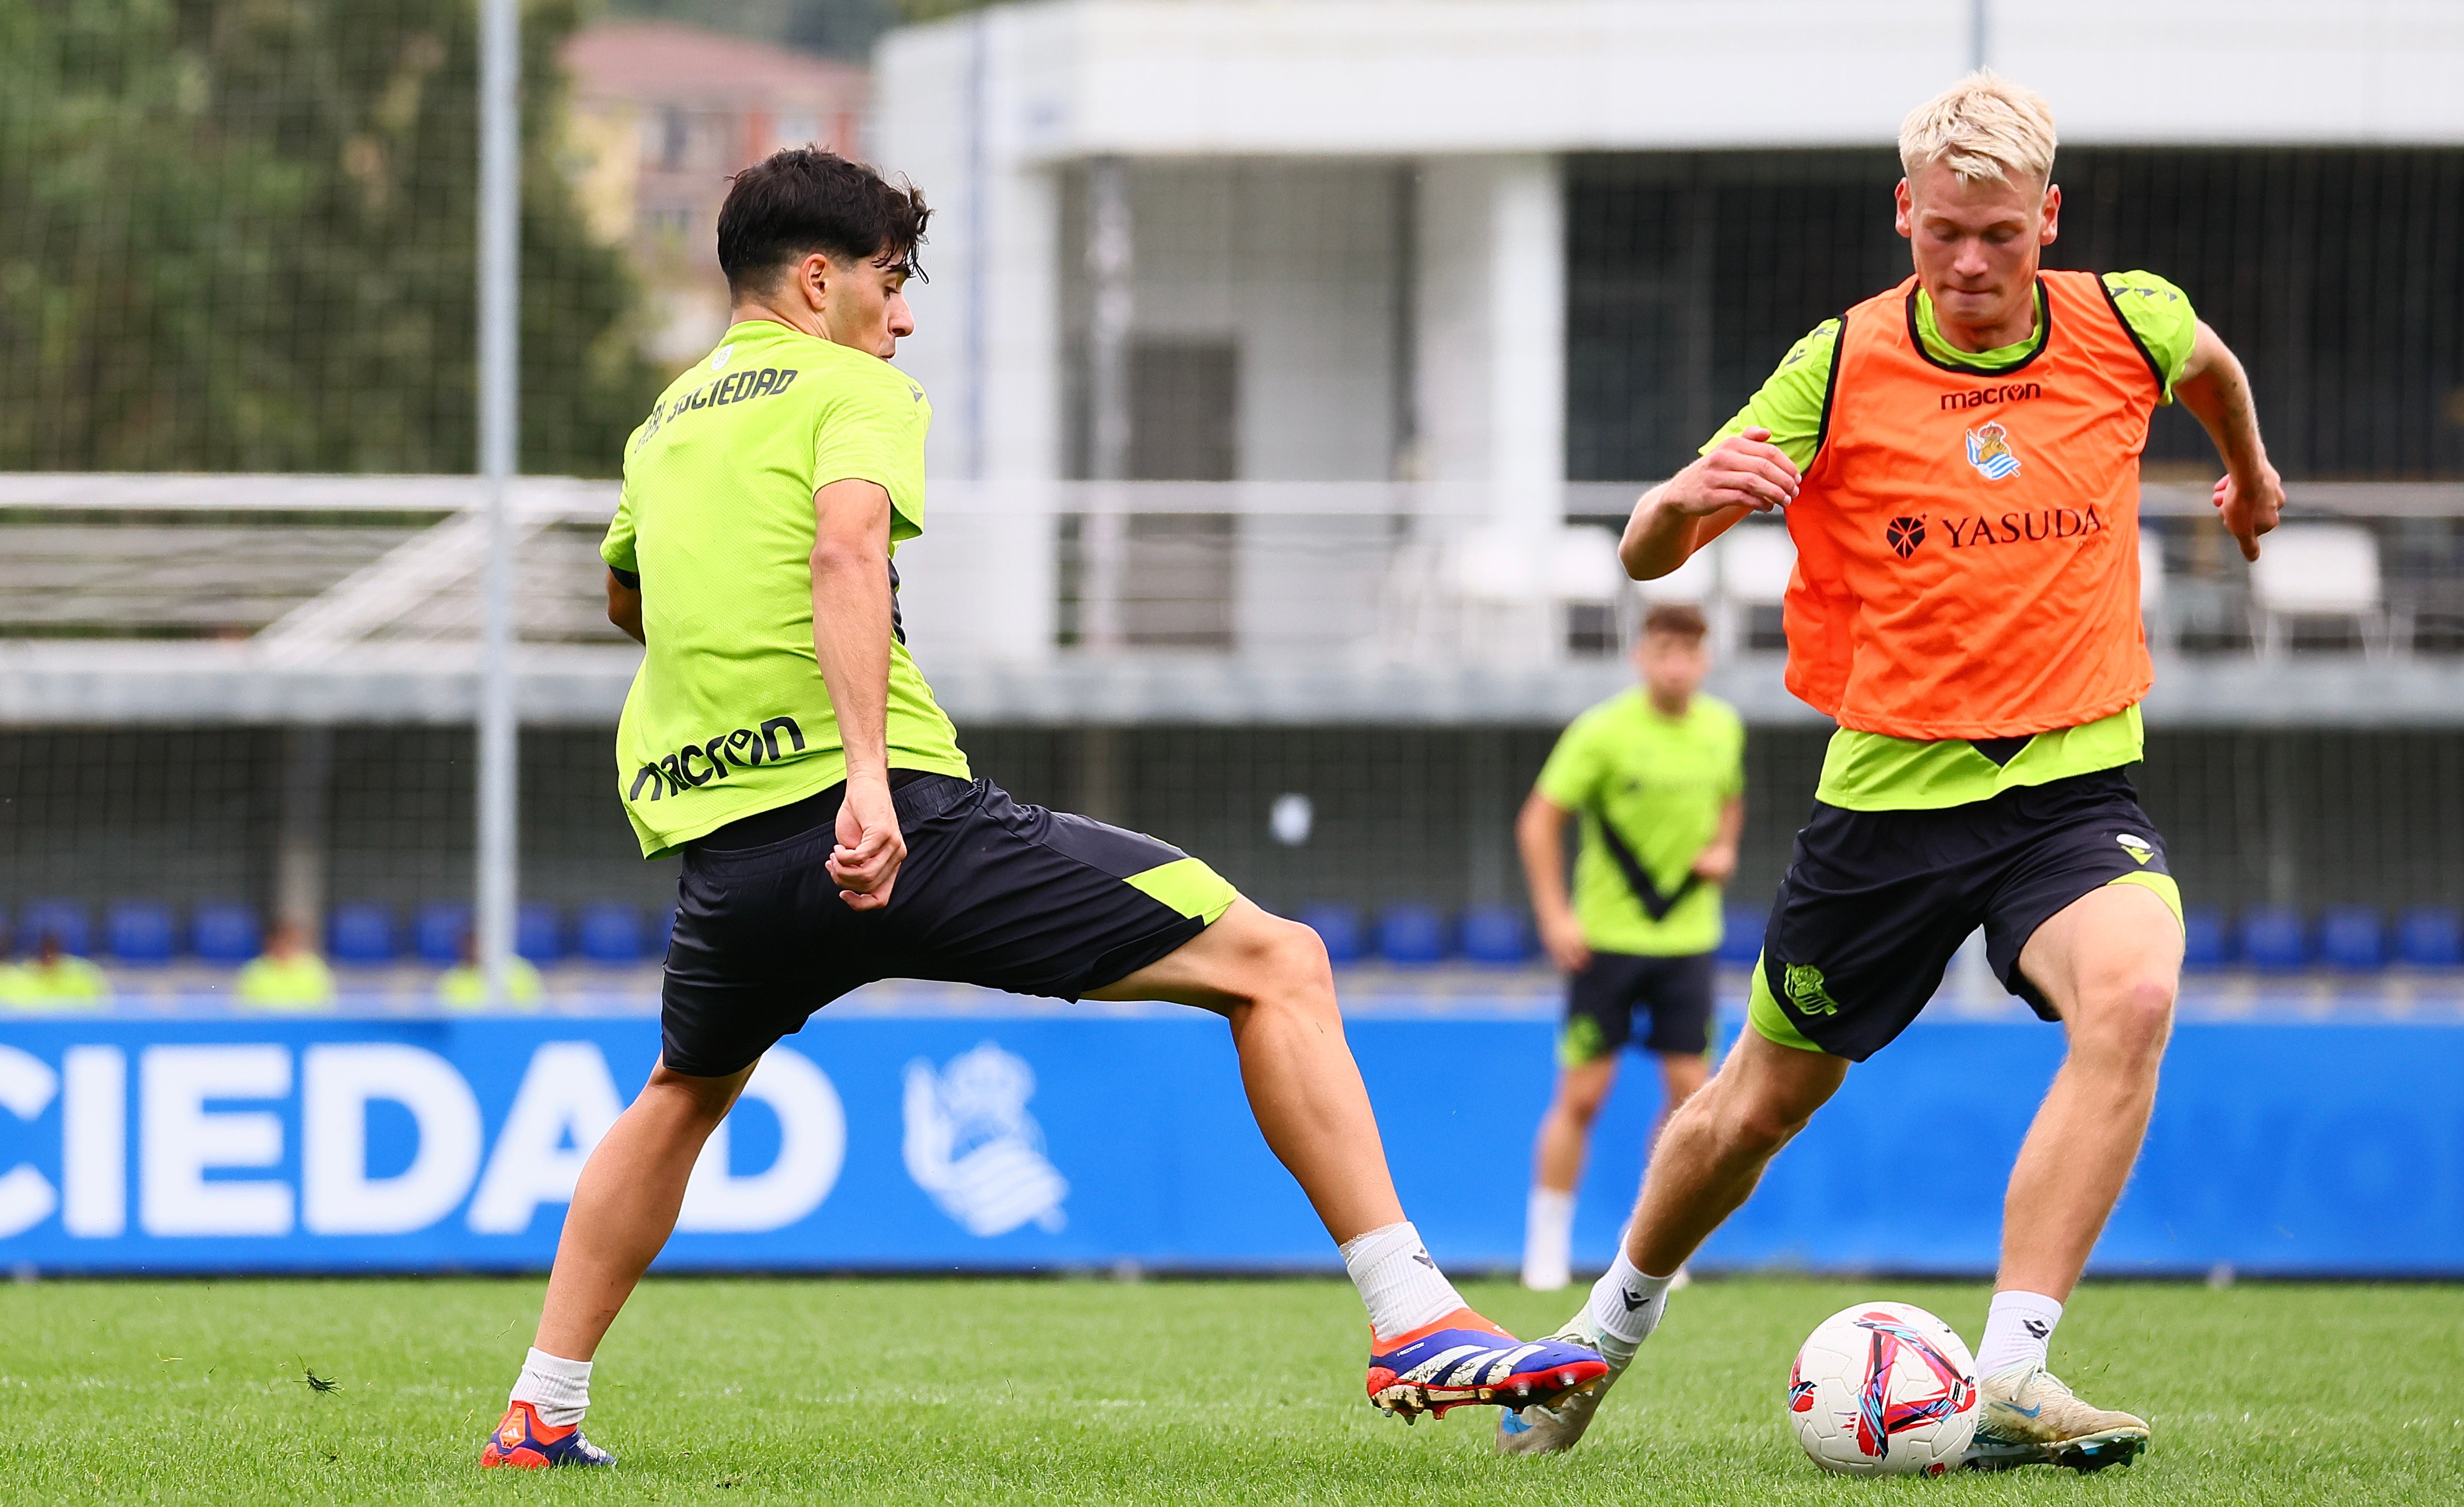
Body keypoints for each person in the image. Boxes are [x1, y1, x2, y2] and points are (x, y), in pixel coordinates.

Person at [479, 148, 1600, 1470]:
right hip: (894, 823)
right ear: (820, 277)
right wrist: (860, 783)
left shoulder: (663, 423)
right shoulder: (853, 388)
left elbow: (631, 598)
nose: (901, 318)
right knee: (1277, 964)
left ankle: (542, 1406)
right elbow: (845, 548)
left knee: (680, 1090)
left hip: (726, 855)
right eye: (891, 285)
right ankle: (1411, 1316)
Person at [1495, 74, 2283, 1472]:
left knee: (2140, 988)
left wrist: (2251, 477)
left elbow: (2209, 363)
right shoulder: (1841, 363)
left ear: (2049, 218)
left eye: (2001, 235)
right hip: (1890, 807)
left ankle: (2016, 1373)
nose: (1972, 265)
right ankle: (1600, 1336)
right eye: (1943, 236)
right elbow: (1643, 550)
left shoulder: (2126, 320)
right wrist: (1682, 505)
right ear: (1903, 215)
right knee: (1755, 1107)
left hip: (2070, 786)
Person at [1514, 603, 1743, 1292]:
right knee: (1583, 1093)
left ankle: (1656, 1244)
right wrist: (1556, 915)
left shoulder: (1723, 727)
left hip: (1688, 944)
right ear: (1643, 654)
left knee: (1688, 1098)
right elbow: (1538, 822)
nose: (1677, 664)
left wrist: (1725, 847)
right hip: (1606, 945)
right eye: (1664, 649)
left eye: (1690, 652)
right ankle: (1546, 1243)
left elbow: (1730, 800)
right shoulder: (1602, 731)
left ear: (1705, 659)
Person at [235, 919, 337, 1011]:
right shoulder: (253, 972)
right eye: (281, 941)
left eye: (290, 942)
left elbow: (326, 1010)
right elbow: (244, 1011)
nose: (285, 947)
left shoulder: (316, 971)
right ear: (270, 942)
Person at [440, 929, 545, 1010]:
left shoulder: (520, 972)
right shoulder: (453, 978)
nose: (473, 949)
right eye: (469, 944)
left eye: (477, 943)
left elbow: (534, 1011)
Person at [9, 929, 108, 1008]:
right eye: (45, 952)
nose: (49, 956)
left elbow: (98, 1010)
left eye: (52, 951)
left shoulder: (84, 974)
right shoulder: (17, 978)